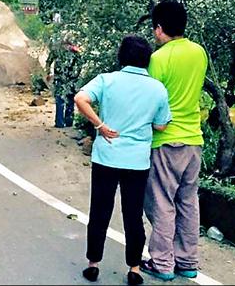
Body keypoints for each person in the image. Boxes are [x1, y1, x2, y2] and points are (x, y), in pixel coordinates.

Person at [74, 35, 172, 286]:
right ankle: (134, 268)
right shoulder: (157, 89)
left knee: (100, 211)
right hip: (137, 161)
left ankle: (93, 264)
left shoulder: (107, 80)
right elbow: (161, 125)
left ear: (121, 57)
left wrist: (100, 125)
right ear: (147, 60)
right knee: (132, 214)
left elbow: (80, 99)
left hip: (106, 156)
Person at [140, 1, 208, 281]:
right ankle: (187, 261)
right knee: (188, 202)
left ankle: (162, 263)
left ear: (159, 29)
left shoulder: (158, 58)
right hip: (194, 139)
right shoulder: (199, 53)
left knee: (162, 202)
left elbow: (152, 100)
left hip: (166, 140)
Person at [45, 29, 81, 128]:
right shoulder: (75, 50)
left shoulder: (56, 49)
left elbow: (48, 61)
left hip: (59, 78)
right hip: (71, 79)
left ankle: (59, 122)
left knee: (60, 100)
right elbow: (80, 64)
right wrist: (76, 75)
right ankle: (69, 122)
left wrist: (48, 73)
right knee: (70, 99)